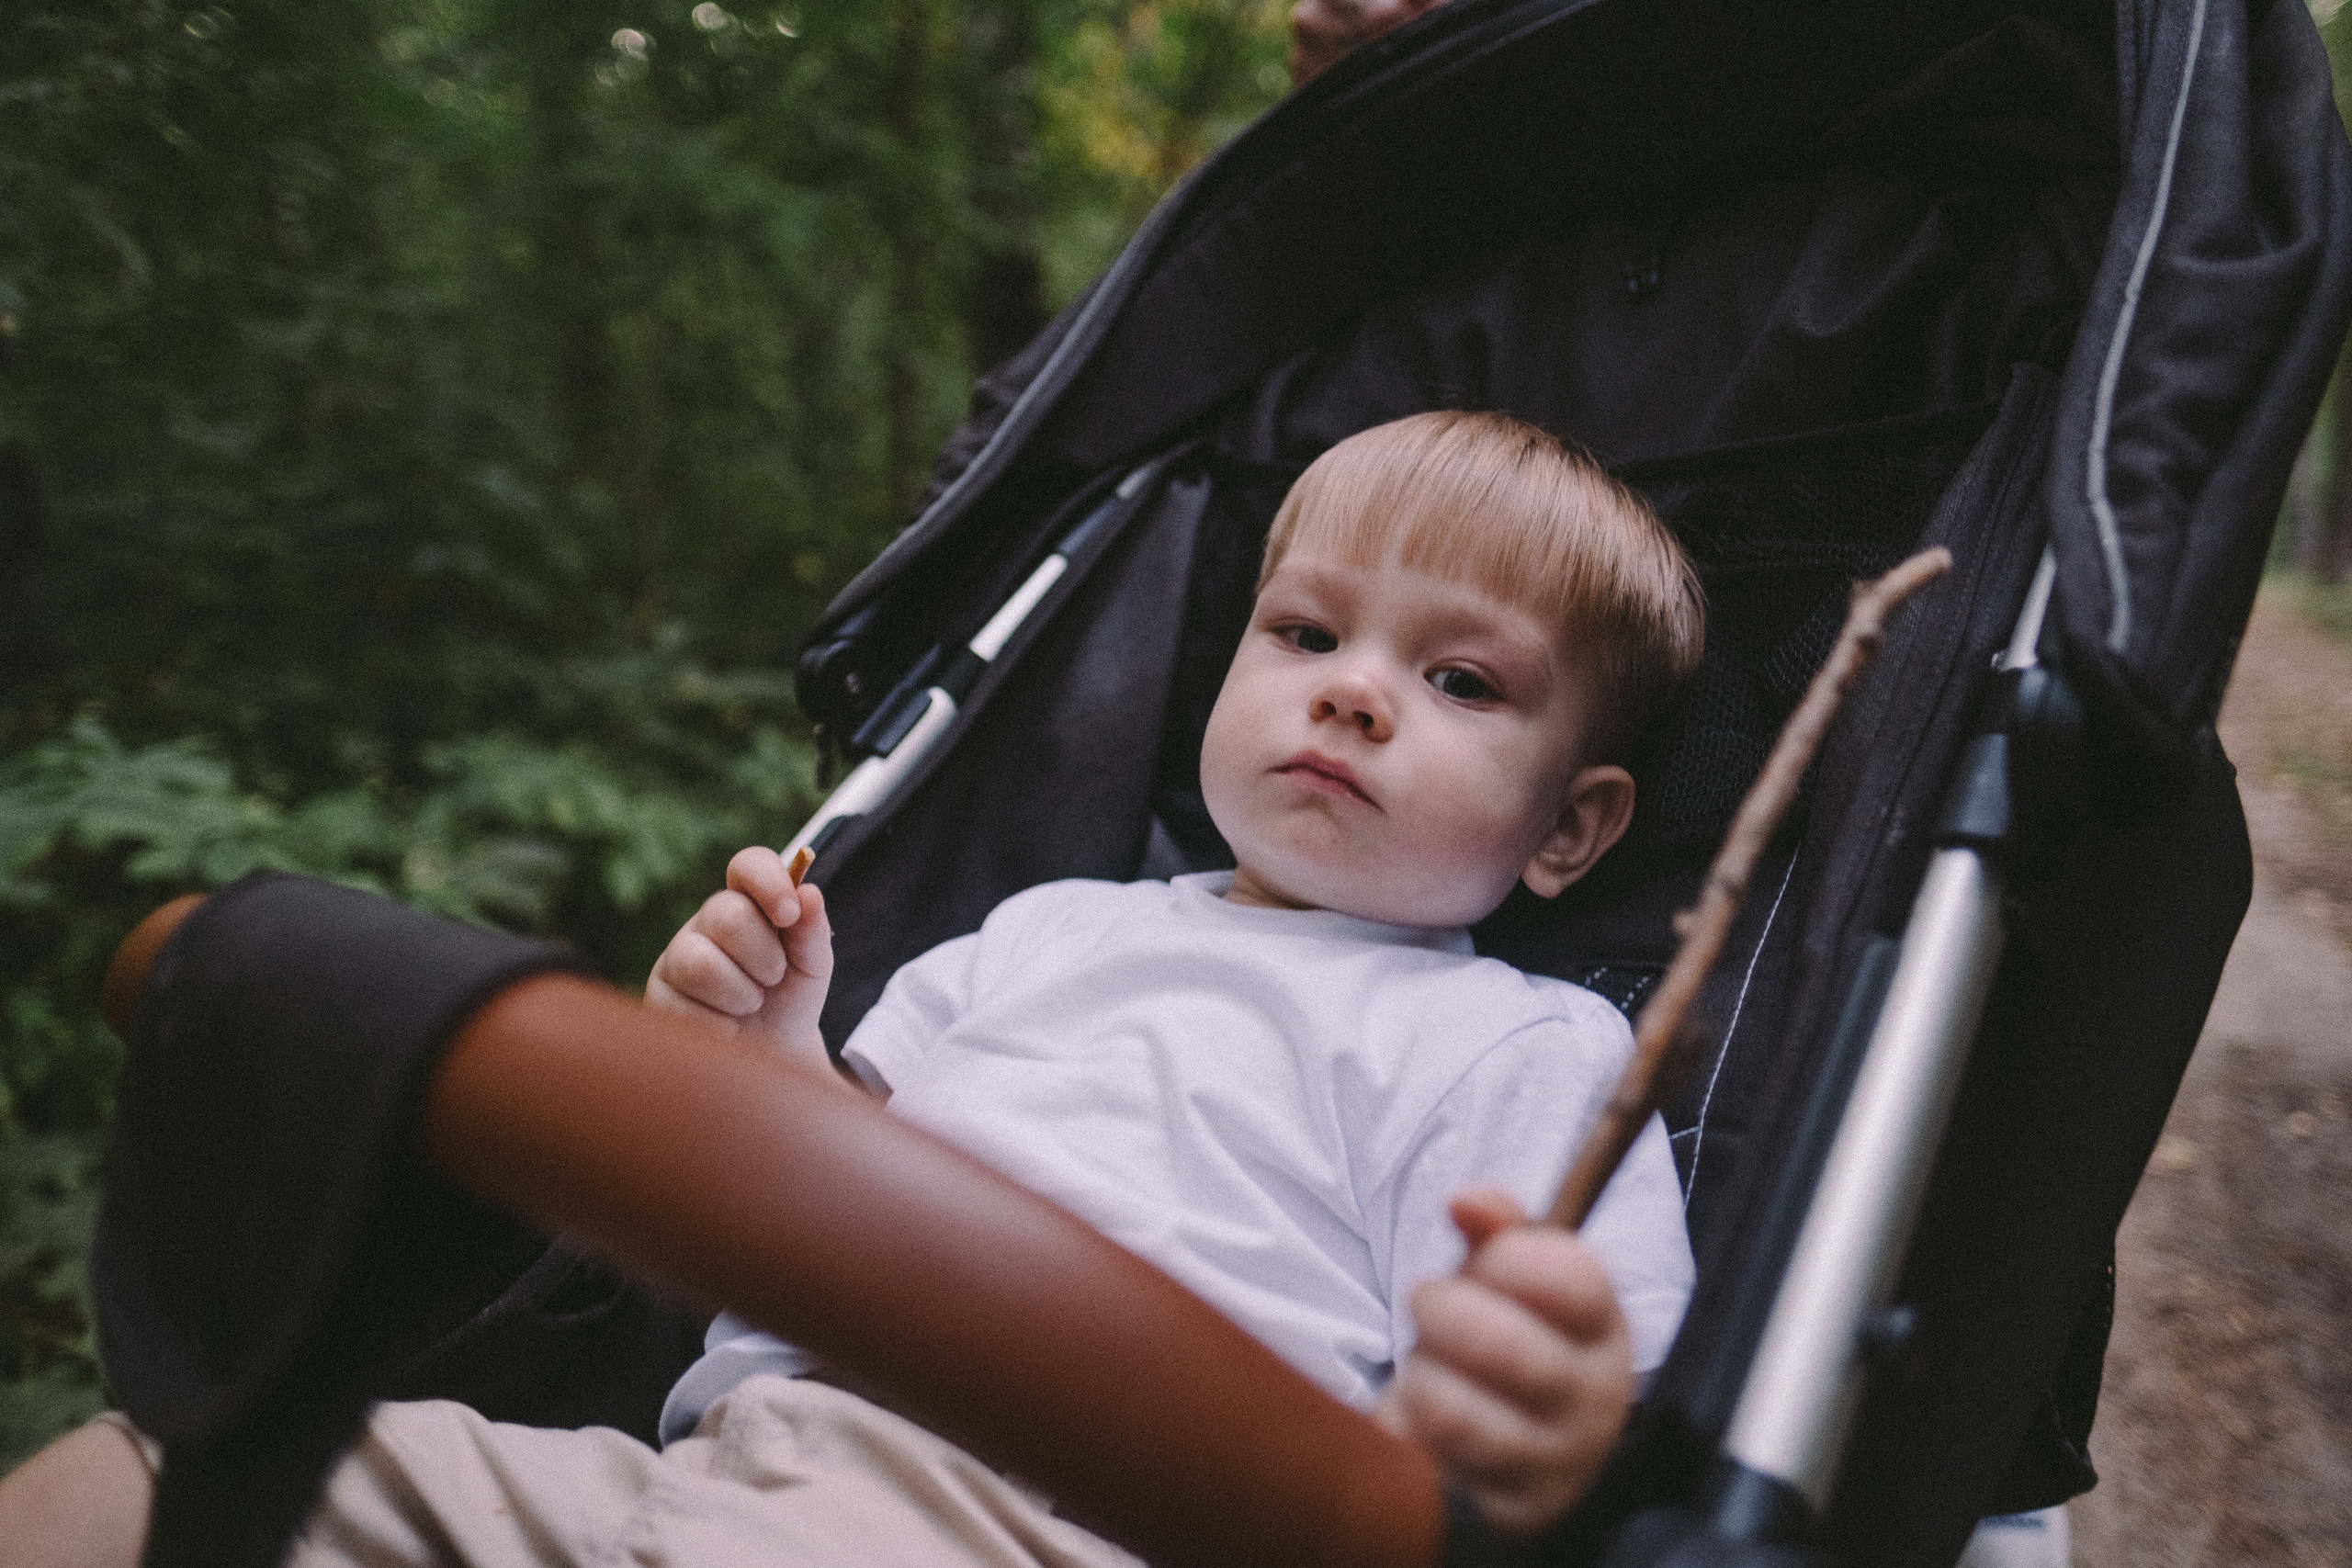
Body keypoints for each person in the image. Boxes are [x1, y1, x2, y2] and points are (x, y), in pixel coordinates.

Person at [1, 410, 1702, 1568]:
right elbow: (840, 1184)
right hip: (710, 1477)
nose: (1352, 698)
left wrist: (1536, 1416)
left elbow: (1593, 1374)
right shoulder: (1046, 932)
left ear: (1571, 827)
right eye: (1307, 635)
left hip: (1063, 1527)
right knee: (140, 1485)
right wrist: (767, 1054)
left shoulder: (1517, 1044)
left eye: (1459, 677)